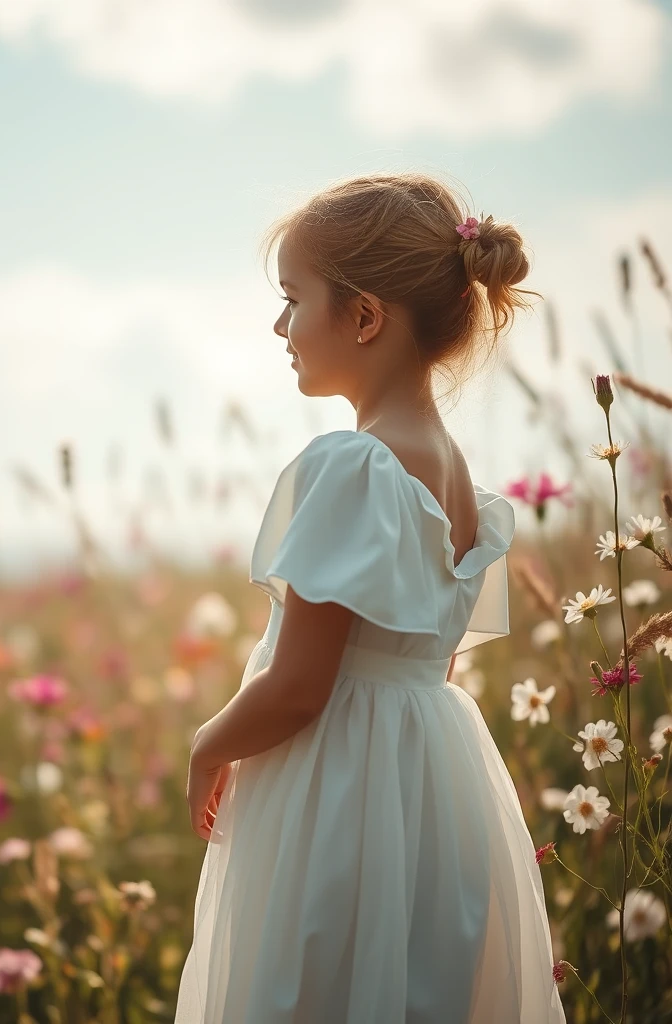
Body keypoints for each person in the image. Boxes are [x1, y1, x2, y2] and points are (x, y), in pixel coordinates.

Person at [175, 173, 566, 1023]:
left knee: (318, 986)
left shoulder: (352, 466)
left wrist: (209, 742)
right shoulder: (462, 481)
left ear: (362, 316)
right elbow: (433, 661)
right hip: (433, 787)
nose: (281, 326)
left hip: (341, 795)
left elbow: (301, 685)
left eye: (293, 299)